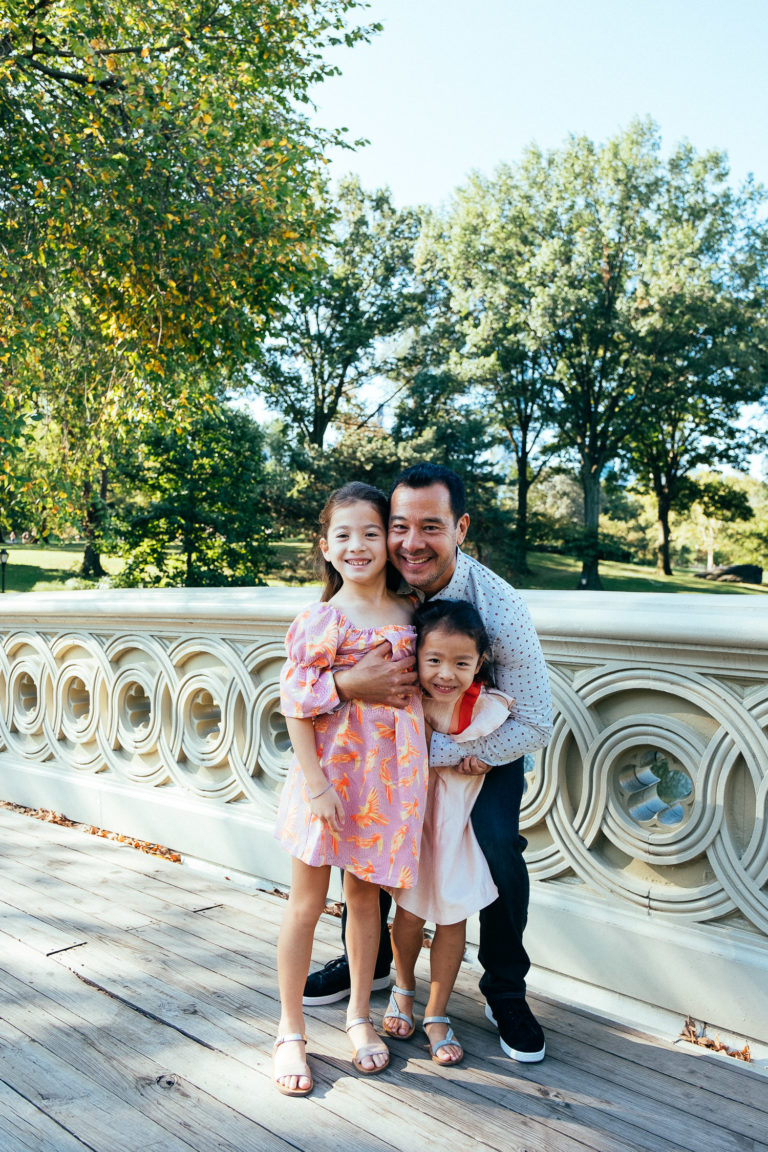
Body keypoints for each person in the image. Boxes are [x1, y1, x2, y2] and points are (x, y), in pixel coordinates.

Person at [302, 462, 553, 1063]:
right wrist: (344, 682)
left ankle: (504, 989)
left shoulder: (499, 605)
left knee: (497, 848)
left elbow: (536, 719)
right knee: (366, 844)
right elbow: (310, 670)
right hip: (381, 752)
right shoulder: (369, 583)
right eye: (399, 526)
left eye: (432, 527)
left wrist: (440, 754)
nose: (411, 542)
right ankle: (374, 963)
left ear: (461, 528)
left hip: (476, 753)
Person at [273, 481, 428, 1096]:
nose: (358, 546)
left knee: (367, 902)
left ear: (388, 542)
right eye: (344, 535)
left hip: (387, 785)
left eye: (371, 532)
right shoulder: (322, 619)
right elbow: (294, 702)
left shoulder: (413, 614)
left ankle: (359, 1016)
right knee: (307, 903)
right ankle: (289, 1030)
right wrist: (315, 787)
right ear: (326, 547)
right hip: (330, 782)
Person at [383, 598, 515, 1065]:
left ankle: (438, 1012)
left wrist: (487, 755)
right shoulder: (406, 699)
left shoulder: (483, 707)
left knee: (453, 917)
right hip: (415, 822)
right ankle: (403, 990)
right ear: (416, 655)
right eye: (434, 660)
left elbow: (508, 739)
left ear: (479, 663)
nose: (445, 674)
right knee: (409, 912)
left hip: (458, 829)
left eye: (461, 663)